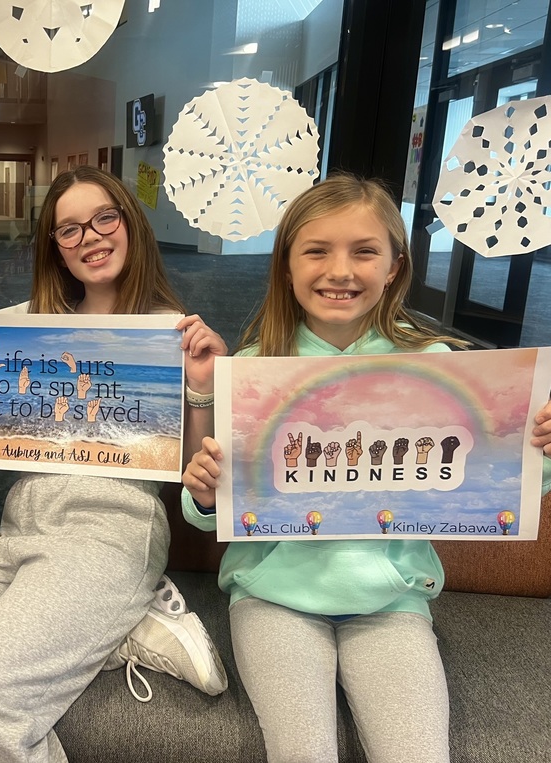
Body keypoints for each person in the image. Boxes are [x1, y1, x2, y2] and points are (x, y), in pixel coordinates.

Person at [180, 172, 551, 763]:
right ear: (286, 265)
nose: (340, 271)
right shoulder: (252, 371)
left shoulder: (435, 366)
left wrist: (539, 448)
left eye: (364, 251)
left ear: (395, 266)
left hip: (391, 603)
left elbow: (492, 483)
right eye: (317, 250)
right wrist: (203, 492)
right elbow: (208, 514)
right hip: (274, 599)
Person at [0, 165, 229, 763]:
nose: (89, 237)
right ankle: (115, 630)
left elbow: (197, 473)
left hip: (110, 532)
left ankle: (93, 616)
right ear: (56, 249)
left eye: (104, 219)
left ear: (131, 225)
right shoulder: (28, 323)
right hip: (23, 531)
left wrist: (200, 387)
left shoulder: (172, 332)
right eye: (69, 230)